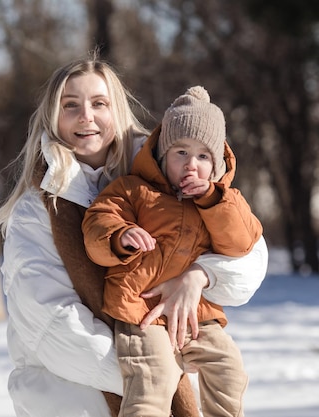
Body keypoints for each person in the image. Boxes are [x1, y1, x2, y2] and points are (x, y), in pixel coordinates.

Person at [0, 53, 269, 417]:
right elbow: (52, 324)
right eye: (71, 105)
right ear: (53, 118)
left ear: (116, 110)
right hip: (72, 398)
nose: (86, 116)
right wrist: (156, 366)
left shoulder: (172, 172)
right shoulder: (36, 211)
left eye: (98, 103)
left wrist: (199, 276)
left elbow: (249, 254)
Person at [82, 85, 262, 417]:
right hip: (141, 311)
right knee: (153, 379)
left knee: (229, 367)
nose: (191, 164)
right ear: (162, 156)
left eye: (203, 156)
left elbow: (241, 242)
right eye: (180, 152)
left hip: (198, 316)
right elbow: (97, 224)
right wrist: (122, 235)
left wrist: (212, 199)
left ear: (217, 164)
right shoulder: (134, 190)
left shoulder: (224, 201)